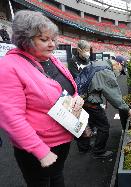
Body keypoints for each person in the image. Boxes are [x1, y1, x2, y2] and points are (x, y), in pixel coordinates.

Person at [0, 10, 83, 187]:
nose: (52, 45)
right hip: (38, 148)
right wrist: (41, 151)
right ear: (25, 40)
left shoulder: (51, 60)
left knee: (57, 178)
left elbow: (69, 89)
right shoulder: (9, 67)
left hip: (63, 140)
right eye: (44, 40)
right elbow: (11, 117)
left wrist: (77, 98)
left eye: (53, 39)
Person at [82, 58, 131, 159]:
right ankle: (98, 151)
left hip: (82, 97)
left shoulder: (101, 63)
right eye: (121, 70)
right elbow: (114, 96)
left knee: (88, 122)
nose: (119, 73)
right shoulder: (106, 72)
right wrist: (128, 109)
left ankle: (84, 148)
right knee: (104, 126)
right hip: (90, 101)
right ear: (118, 64)